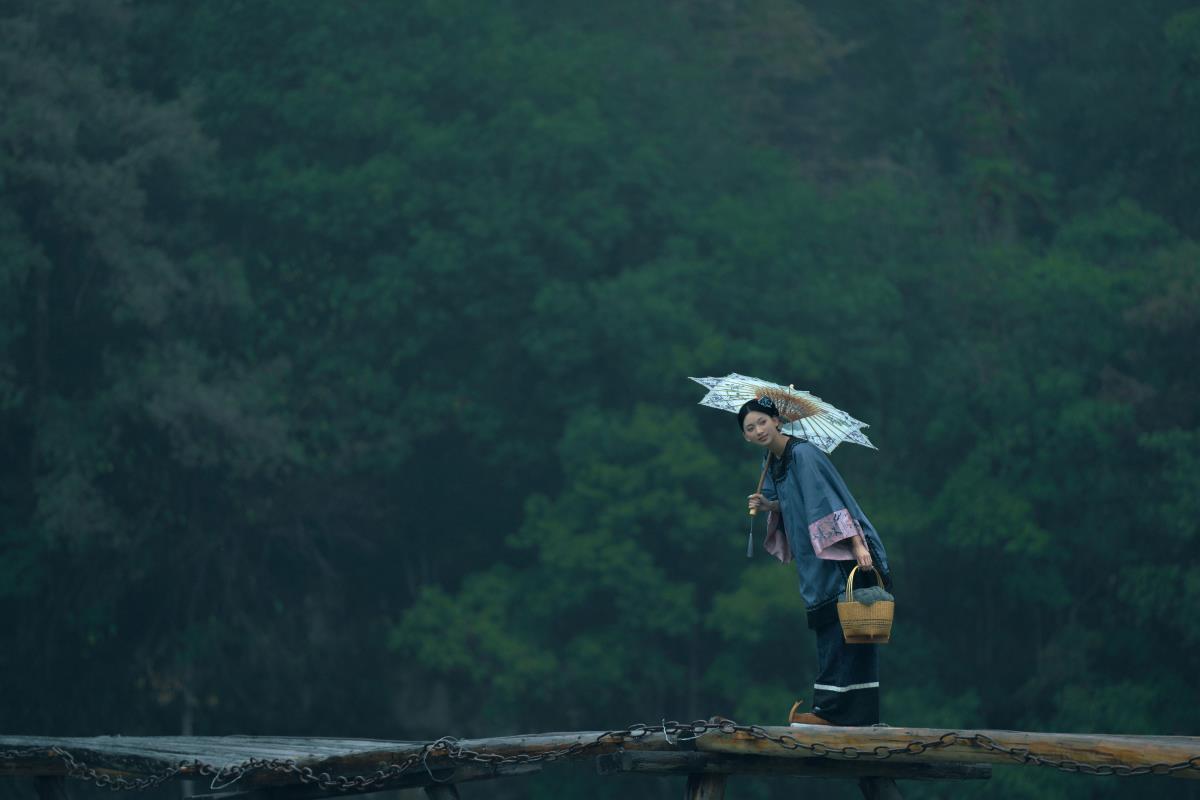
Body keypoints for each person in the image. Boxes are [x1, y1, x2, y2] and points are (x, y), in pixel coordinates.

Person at [741, 395, 893, 726]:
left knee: (847, 629)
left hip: (839, 554)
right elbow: (794, 502)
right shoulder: (773, 461)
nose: (758, 430)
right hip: (814, 559)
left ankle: (834, 712)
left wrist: (857, 544)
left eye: (762, 422)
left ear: (777, 421)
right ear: (746, 436)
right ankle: (840, 712)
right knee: (828, 626)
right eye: (750, 428)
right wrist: (770, 506)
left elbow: (830, 500)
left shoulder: (803, 455)